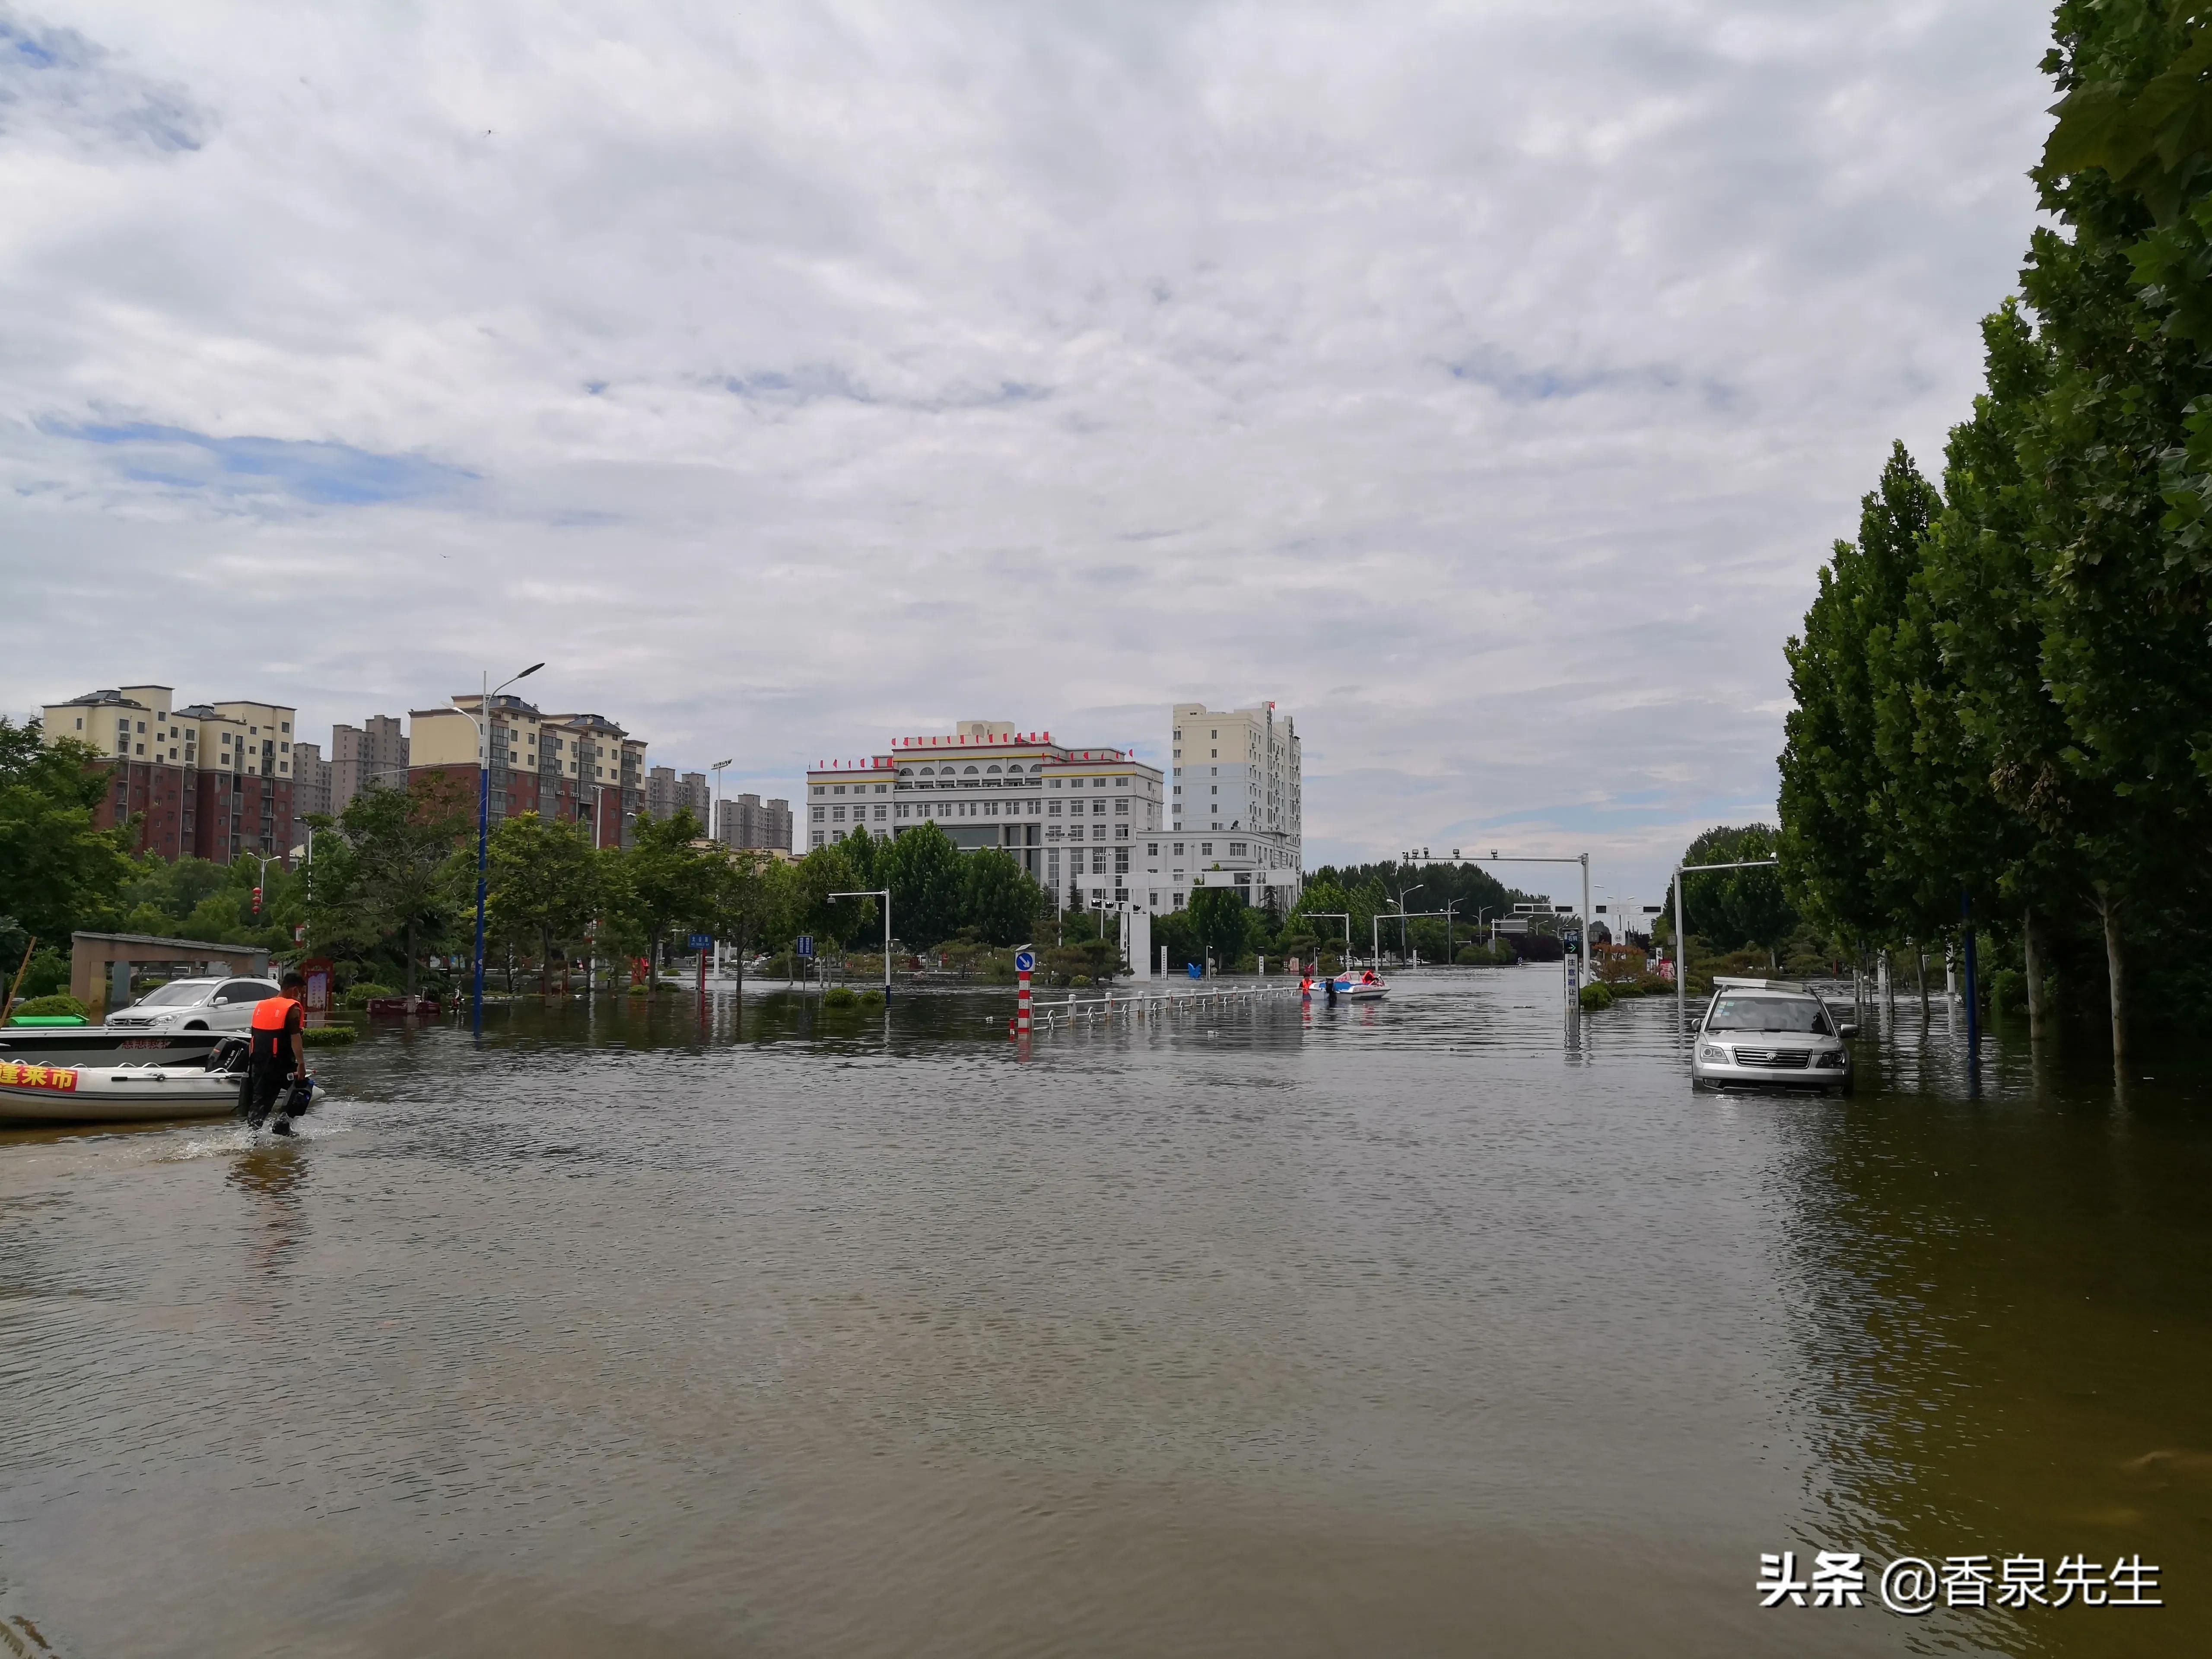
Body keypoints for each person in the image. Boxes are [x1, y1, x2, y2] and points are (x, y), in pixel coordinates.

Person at [247, 972, 309, 1135]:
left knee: (260, 1103)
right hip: (281, 1063)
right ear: (294, 989)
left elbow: (254, 1036)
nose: (300, 996)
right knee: (303, 1088)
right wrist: (301, 1064)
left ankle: (250, 1137)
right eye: (301, 992)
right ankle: (282, 1125)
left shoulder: (262, 1006)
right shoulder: (292, 1008)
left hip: (259, 1062)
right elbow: (295, 1038)